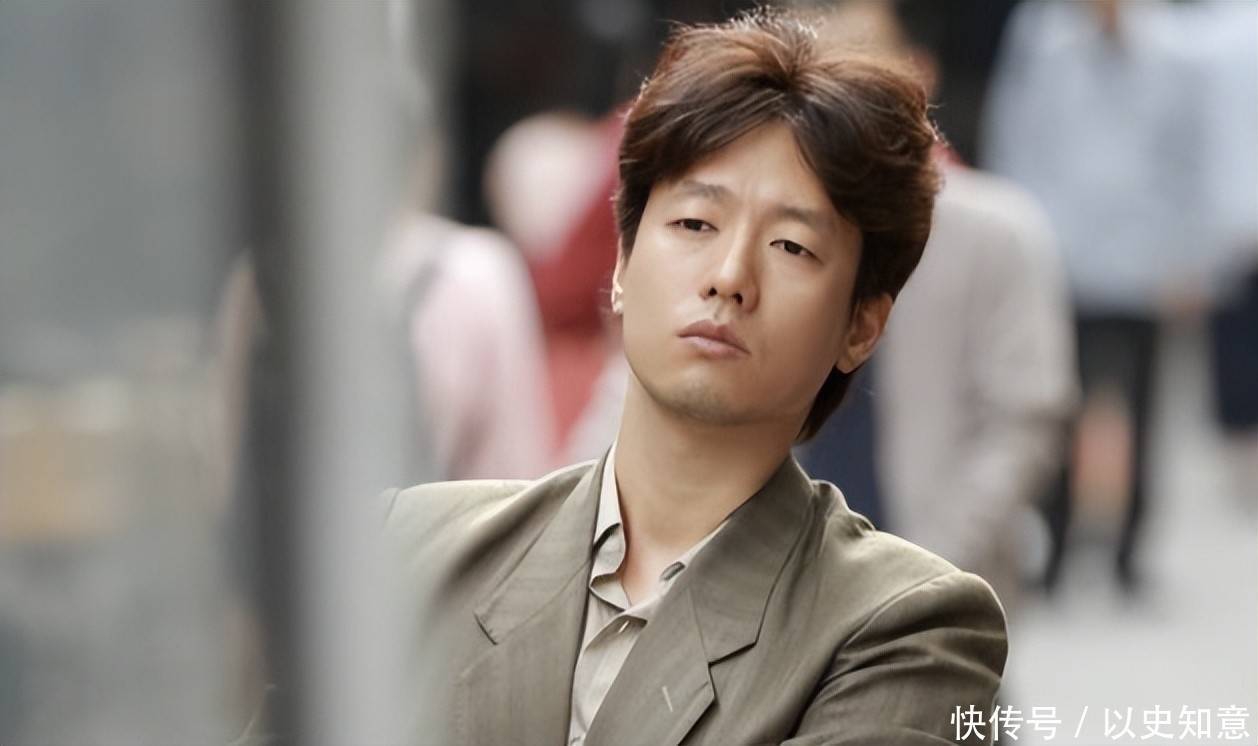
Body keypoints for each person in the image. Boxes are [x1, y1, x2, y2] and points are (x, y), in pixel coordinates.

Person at [386, 11, 1007, 744]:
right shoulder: (416, 545)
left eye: (791, 246)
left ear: (862, 325)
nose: (729, 276)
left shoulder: (906, 626)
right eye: (694, 225)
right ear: (622, 264)